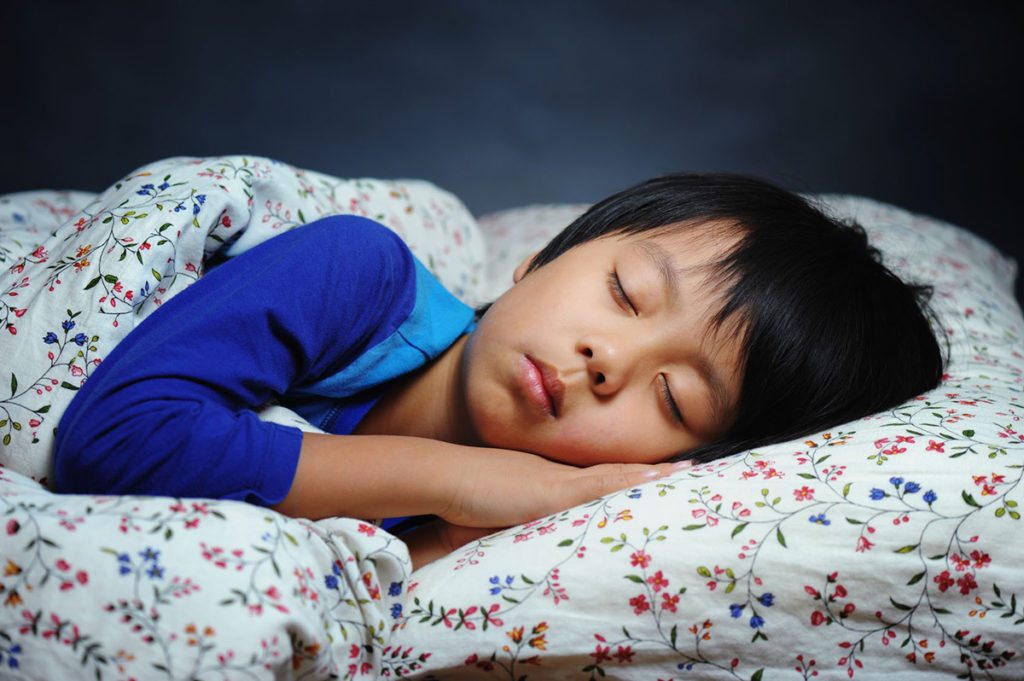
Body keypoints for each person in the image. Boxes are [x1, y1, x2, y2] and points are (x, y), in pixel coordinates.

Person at [52, 173, 944, 567]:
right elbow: (115, 440)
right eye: (626, 293)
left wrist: (448, 530)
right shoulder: (354, 272)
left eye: (673, 397)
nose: (608, 359)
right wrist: (458, 475)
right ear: (543, 257)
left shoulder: (504, 536)